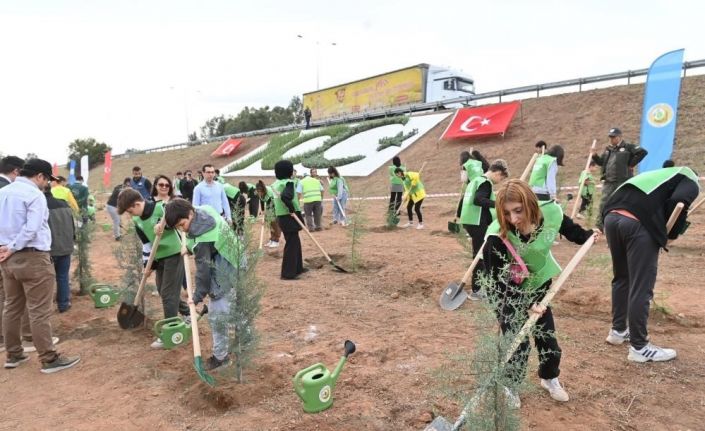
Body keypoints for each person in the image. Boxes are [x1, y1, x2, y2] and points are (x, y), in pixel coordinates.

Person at [482, 179, 597, 406]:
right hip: (509, 296)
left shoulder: (551, 212)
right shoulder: (497, 239)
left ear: (531, 203)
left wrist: (587, 236)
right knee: (518, 344)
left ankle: (549, 378)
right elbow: (499, 282)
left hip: (540, 288)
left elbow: (568, 228)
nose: (513, 219)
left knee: (548, 341)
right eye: (506, 214)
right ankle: (510, 385)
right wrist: (524, 304)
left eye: (518, 210)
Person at [602, 166, 699, 362]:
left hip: (611, 217)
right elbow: (678, 202)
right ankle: (640, 347)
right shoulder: (690, 177)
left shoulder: (658, 175)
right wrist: (669, 235)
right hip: (637, 224)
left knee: (622, 277)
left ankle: (618, 330)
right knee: (641, 286)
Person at [0, 158, 80, 373]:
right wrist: (14, 246)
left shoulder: (3, 192)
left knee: (11, 307)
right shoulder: (34, 195)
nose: (46, 184)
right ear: (39, 176)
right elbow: (32, 228)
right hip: (32, 257)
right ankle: (49, 358)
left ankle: (14, 354)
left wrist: (6, 248)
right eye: (46, 180)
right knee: (39, 311)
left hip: (7, 259)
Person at [164, 198, 245, 370]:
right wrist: (190, 247)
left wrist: (197, 296)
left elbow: (203, 272)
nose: (182, 229)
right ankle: (246, 340)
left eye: (182, 224)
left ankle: (221, 357)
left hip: (226, 268)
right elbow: (198, 241)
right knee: (235, 307)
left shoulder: (203, 239)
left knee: (218, 316)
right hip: (234, 257)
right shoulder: (203, 209)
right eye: (178, 227)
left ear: (190, 214)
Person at [117, 188, 188, 349]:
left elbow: (178, 224)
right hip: (159, 257)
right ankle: (187, 313)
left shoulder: (161, 208)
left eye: (130, 211)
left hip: (175, 253)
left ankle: (170, 330)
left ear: (136, 204)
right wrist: (146, 265)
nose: (130, 215)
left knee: (168, 295)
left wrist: (163, 225)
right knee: (163, 290)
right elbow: (147, 244)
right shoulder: (137, 222)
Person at [458, 160, 509, 300]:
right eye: (501, 178)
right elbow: (479, 200)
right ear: (498, 173)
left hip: (469, 220)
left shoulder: (475, 180)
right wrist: (498, 204)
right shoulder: (485, 182)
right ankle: (477, 290)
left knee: (480, 253)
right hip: (476, 222)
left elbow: (466, 200)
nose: (499, 181)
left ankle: (479, 287)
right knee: (480, 255)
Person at [0, 155, 32, 354]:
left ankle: (7, 341)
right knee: (14, 298)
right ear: (17, 172)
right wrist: (11, 247)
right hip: (10, 252)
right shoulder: (8, 191)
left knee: (8, 299)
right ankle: (23, 338)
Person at [591, 128, 648, 230]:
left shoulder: (628, 147)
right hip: (609, 182)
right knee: (604, 203)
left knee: (625, 203)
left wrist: (631, 164)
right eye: (610, 137)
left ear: (619, 137)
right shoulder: (608, 149)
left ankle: (628, 225)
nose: (611, 139)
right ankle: (600, 226)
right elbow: (601, 163)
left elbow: (643, 152)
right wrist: (595, 156)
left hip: (623, 181)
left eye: (613, 137)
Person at [44, 185, 75, 313]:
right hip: (66, 247)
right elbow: (72, 225)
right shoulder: (64, 204)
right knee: (63, 277)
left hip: (48, 249)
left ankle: (45, 309)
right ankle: (63, 304)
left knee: (45, 280)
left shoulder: (39, 205)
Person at [274, 160, 306, 280]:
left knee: (295, 241)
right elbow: (286, 197)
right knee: (292, 244)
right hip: (289, 216)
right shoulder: (288, 183)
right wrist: (292, 209)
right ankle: (288, 273)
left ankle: (298, 268)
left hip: (282, 216)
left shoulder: (277, 183)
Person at [457, 150, 490, 217]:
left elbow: (464, 180)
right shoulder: (478, 162)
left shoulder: (465, 165)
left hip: (474, 185)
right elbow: (485, 169)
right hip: (483, 183)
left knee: (463, 202)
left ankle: (459, 216)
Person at [256, 180, 281, 247]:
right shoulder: (259, 193)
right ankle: (272, 240)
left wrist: (267, 213)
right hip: (269, 205)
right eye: (258, 192)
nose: (259, 194)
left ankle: (276, 241)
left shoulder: (269, 193)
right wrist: (263, 210)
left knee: (274, 223)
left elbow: (272, 205)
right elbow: (261, 201)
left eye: (260, 192)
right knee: (270, 223)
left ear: (263, 190)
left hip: (275, 205)